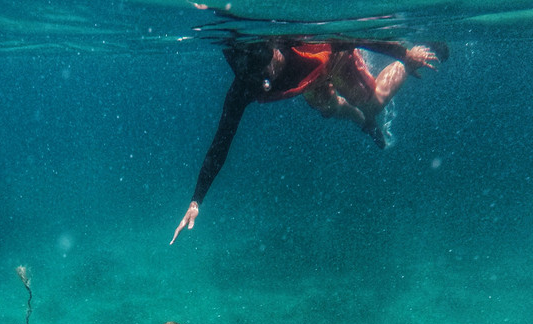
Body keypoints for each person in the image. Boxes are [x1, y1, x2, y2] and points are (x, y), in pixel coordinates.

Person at [171, 38, 447, 244]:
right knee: (329, 110)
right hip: (312, 80)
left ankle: (403, 70)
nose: (268, 82)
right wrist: (197, 200)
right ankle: (364, 122)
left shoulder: (297, 42)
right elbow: (221, 142)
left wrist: (403, 52)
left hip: (333, 60)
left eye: (269, 72)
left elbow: (357, 38)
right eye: (260, 79)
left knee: (370, 103)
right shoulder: (246, 85)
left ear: (276, 50)